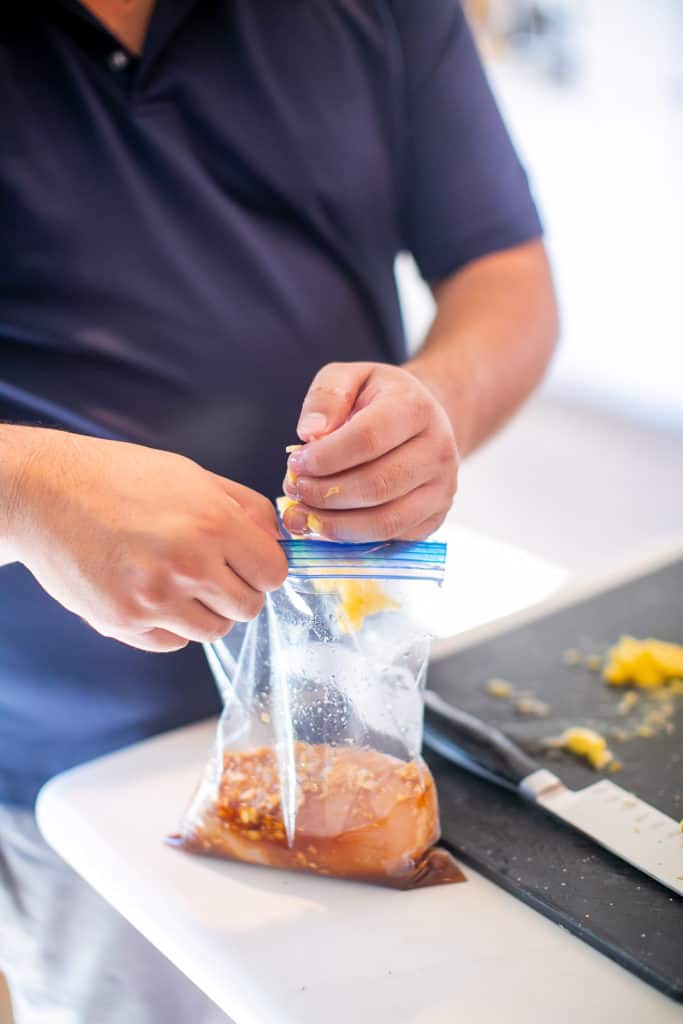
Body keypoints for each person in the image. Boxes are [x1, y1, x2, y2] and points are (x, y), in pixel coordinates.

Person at [0, 1, 558, 1021]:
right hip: (70, 783)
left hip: (372, 730)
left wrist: (439, 399)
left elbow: (503, 269)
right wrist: (23, 487)